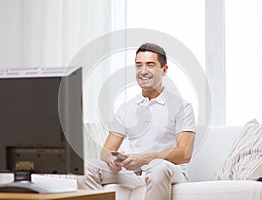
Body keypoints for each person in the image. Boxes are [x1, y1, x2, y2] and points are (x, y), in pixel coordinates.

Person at [78, 43, 196, 200]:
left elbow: (185, 154)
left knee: (158, 167)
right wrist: (113, 158)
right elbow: (106, 151)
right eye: (138, 65)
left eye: (150, 65)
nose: (143, 71)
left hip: (170, 171)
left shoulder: (182, 107)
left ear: (164, 70)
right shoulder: (127, 108)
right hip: (135, 174)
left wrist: (145, 159)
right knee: (86, 168)